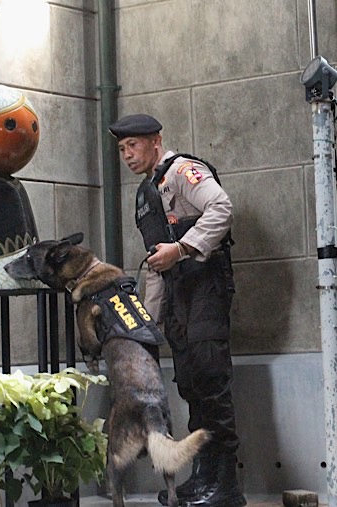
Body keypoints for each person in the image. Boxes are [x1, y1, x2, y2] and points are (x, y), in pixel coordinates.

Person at [109, 113, 246, 507]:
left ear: (156, 141)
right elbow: (157, 265)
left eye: (133, 146)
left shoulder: (184, 172)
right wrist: (144, 329)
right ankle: (203, 475)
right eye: (121, 150)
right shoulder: (145, 196)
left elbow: (221, 208)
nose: (127, 155)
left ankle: (226, 484)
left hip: (205, 284)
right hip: (177, 294)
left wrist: (183, 248)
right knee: (190, 382)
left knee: (210, 376)